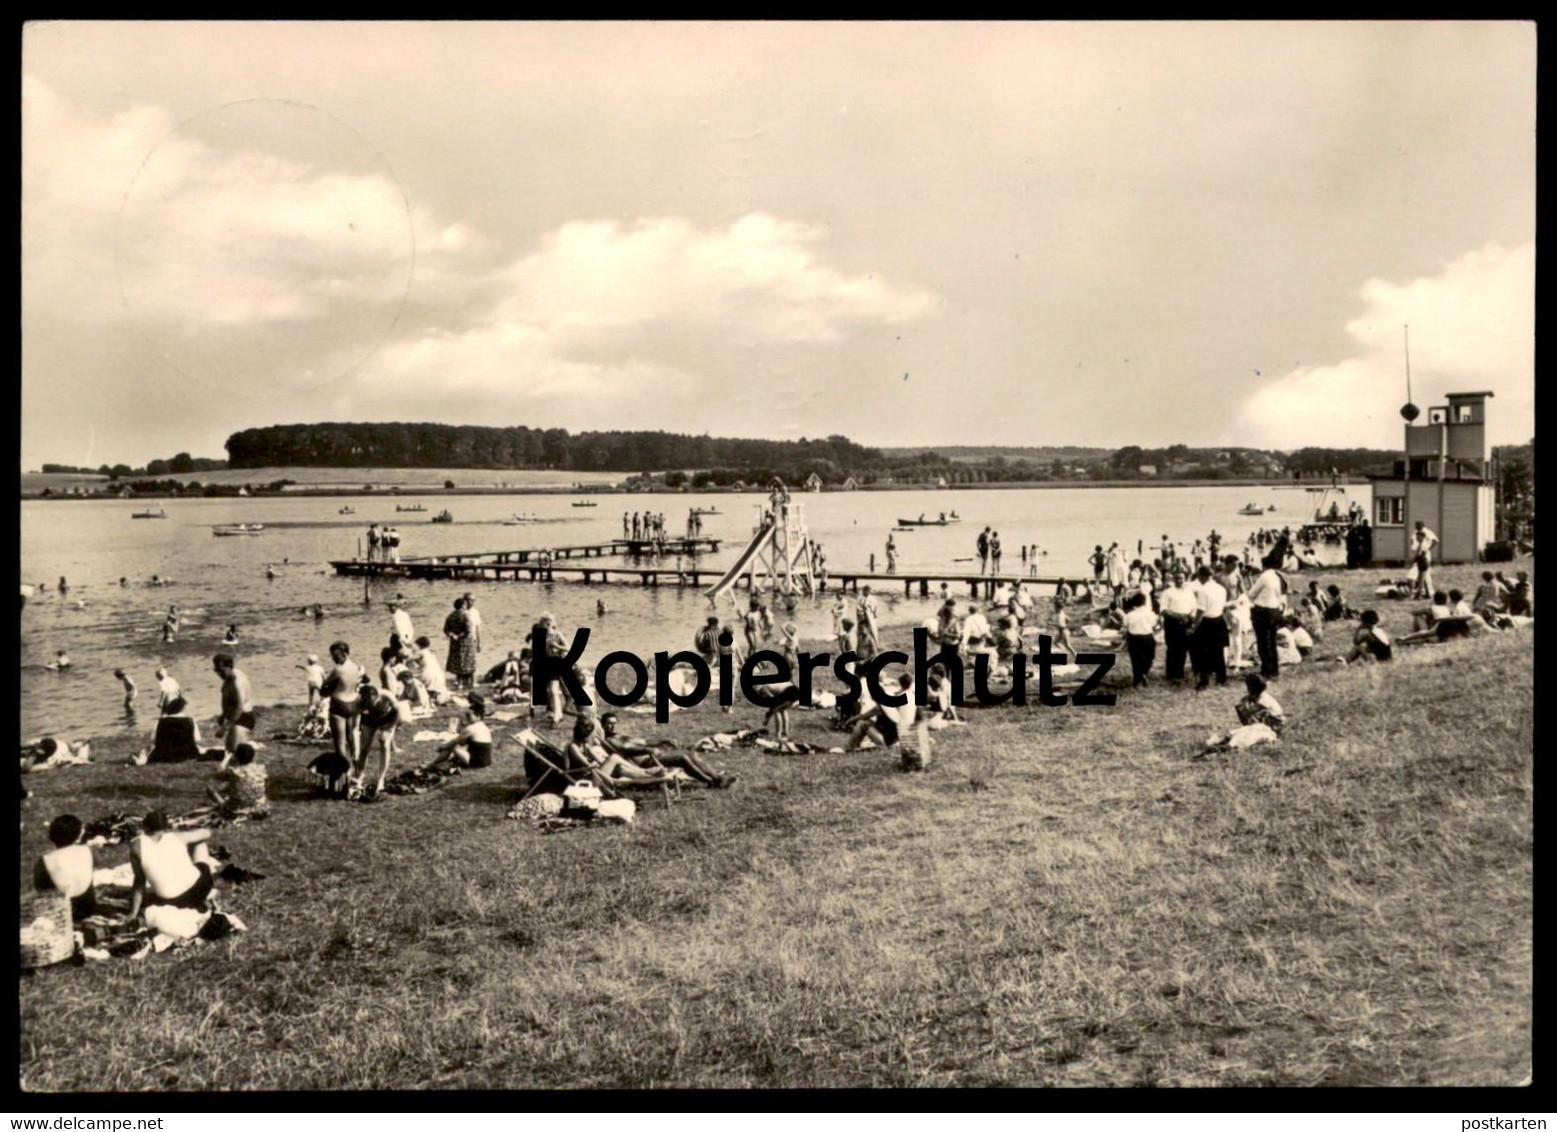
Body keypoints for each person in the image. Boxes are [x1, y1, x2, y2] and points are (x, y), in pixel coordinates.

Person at [127, 812, 216, 918]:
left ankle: (197, 900)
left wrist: (133, 913)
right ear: (165, 826)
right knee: (200, 843)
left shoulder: (136, 847)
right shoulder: (177, 837)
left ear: (144, 825)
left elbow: (139, 882)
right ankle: (205, 895)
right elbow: (207, 833)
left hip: (172, 902)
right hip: (201, 888)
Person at [310, 641, 364, 795]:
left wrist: (320, 685)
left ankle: (343, 779)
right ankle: (358, 773)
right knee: (352, 740)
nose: (334, 659)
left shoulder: (337, 670)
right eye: (333, 656)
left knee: (340, 744)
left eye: (336, 656)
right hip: (353, 703)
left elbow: (323, 690)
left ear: (344, 654)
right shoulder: (355, 666)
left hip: (339, 705)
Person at [34, 814, 96, 922]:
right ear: (77, 836)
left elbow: (40, 889)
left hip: (63, 913)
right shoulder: (85, 850)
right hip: (87, 907)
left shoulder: (46, 860)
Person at [1205, 675, 1286, 751]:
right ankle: (1222, 744)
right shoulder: (1253, 698)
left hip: (1269, 730)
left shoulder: (1265, 702)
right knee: (1235, 733)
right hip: (1258, 727)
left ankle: (1226, 747)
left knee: (1246, 736)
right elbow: (1247, 721)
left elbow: (1273, 724)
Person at [1247, 551, 1289, 680]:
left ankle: (1266, 670)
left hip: (1263, 611)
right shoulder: (1279, 576)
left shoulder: (1265, 576)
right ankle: (1274, 670)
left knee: (1263, 643)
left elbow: (1251, 594)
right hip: (1275, 610)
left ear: (1264, 565)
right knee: (1271, 640)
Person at [212, 653, 254, 771]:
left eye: (220, 670)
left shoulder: (237, 682)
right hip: (234, 718)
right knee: (229, 751)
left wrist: (224, 728)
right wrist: (223, 715)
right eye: (216, 670)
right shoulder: (229, 677)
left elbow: (239, 707)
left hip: (243, 718)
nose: (218, 674)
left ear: (229, 666)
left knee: (234, 755)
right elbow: (229, 701)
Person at [1190, 565, 1229, 689]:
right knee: (1218, 651)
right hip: (1219, 620)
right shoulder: (1221, 589)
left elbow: (1200, 611)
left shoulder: (1203, 590)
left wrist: (1194, 627)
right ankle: (1221, 678)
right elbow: (1223, 606)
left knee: (1203, 653)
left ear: (1202, 576)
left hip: (1207, 622)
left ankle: (1204, 681)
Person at [211, 742, 269, 817]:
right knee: (235, 784)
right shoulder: (261, 768)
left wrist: (226, 758)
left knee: (210, 788)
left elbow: (217, 774)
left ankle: (222, 804)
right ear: (253, 757)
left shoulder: (234, 771)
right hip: (259, 806)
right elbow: (266, 784)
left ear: (236, 757)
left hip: (237, 809)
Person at [1158, 571, 1196, 683]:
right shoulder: (1167, 593)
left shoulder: (1189, 592)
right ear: (1174, 579)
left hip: (1186, 621)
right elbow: (1163, 610)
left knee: (1183, 648)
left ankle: (1180, 673)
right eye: (1177, 578)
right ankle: (1171, 674)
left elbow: (1193, 607)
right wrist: (1178, 617)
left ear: (1185, 579)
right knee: (1172, 648)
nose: (1180, 580)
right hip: (1172, 623)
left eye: (1182, 578)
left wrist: (1190, 618)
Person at [1122, 592, 1159, 687]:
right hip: (1147, 637)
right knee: (1149, 657)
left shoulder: (1129, 614)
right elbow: (1154, 625)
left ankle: (1137, 677)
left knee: (1135, 659)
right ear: (1144, 602)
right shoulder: (1150, 614)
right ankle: (1144, 672)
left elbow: (1125, 626)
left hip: (1134, 638)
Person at [443, 598, 477, 691]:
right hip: (467, 642)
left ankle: (459, 683)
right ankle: (472, 682)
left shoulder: (450, 616)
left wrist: (452, 635)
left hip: (455, 643)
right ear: (463, 606)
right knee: (469, 662)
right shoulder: (466, 615)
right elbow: (468, 630)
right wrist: (459, 636)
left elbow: (446, 629)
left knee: (459, 663)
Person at [412, 636, 450, 704]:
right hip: (439, 675)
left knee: (413, 679)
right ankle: (435, 694)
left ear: (418, 645)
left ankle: (428, 693)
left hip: (428, 675)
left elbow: (408, 658)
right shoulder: (431, 652)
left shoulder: (420, 652)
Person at [1410, 521, 1438, 599]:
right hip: (1421, 560)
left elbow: (1421, 553)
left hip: (1423, 560)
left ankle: (1420, 593)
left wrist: (1415, 559)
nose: (1417, 537)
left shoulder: (1424, 543)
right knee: (1422, 577)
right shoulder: (1419, 540)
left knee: (1423, 577)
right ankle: (1427, 593)